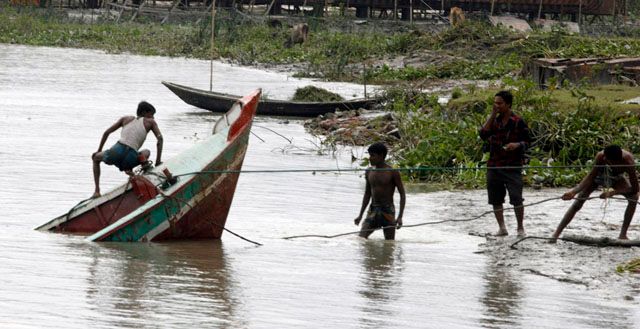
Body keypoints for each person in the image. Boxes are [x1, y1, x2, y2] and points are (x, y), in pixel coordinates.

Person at [551, 145, 639, 241]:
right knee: (579, 200)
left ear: (616, 161)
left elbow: (635, 189)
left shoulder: (628, 162)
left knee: (634, 198)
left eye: (607, 159)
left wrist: (613, 193)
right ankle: (556, 233)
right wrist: (573, 192)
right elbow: (590, 177)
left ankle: (623, 235)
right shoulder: (601, 156)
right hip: (598, 176)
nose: (604, 158)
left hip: (617, 178)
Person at [479, 90, 531, 237]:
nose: (496, 106)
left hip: (512, 165)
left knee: (516, 198)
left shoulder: (518, 121)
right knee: (495, 198)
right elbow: (483, 134)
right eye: (495, 103)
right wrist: (492, 115)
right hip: (494, 165)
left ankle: (520, 227)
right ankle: (502, 228)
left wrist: (517, 145)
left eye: (500, 103)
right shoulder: (493, 121)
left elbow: (528, 141)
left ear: (508, 104)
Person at [91, 101, 163, 198]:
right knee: (146, 152)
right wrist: (158, 161)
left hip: (116, 152)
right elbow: (160, 138)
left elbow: (106, 133)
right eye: (152, 114)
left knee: (95, 158)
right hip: (131, 157)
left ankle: (97, 191)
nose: (153, 118)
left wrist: (99, 150)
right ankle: (133, 170)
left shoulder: (125, 119)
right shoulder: (150, 122)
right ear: (145, 113)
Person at [354, 143, 406, 240]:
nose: (370, 158)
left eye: (372, 155)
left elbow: (402, 194)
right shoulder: (369, 171)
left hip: (388, 211)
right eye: (369, 155)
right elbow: (367, 194)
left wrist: (400, 217)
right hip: (373, 209)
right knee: (361, 239)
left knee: (389, 243)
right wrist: (360, 215)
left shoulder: (392, 172)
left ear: (381, 155)